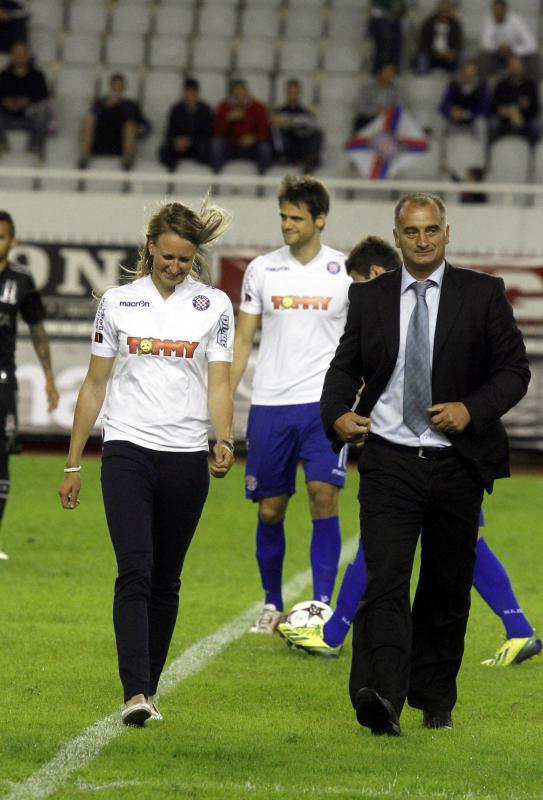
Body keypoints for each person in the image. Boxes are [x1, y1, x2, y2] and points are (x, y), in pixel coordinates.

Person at [320, 192, 530, 736]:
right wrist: (337, 413)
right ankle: (380, 696)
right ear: (396, 237)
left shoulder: (483, 293)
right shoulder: (368, 297)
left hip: (457, 463)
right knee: (384, 580)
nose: (422, 240)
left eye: (431, 229)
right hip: (389, 460)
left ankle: (435, 698)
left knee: (446, 586)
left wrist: (471, 409)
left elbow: (514, 371)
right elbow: (342, 368)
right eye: (411, 231)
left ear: (446, 233)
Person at [279, 237, 540, 667]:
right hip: (416, 455)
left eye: (360, 282)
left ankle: (334, 633)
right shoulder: (391, 311)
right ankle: (519, 629)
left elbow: (508, 369)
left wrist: (467, 410)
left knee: (389, 547)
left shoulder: (446, 304)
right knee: (455, 544)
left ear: (375, 274)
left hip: (449, 454)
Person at [58, 199, 235, 726]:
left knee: (166, 579)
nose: (174, 267)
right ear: (150, 248)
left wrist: (224, 438)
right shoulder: (117, 303)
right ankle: (134, 693)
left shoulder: (214, 306)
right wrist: (73, 463)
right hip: (127, 451)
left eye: (184, 259)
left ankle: (150, 689)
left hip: (186, 457)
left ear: (195, 256)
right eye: (167, 257)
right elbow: (95, 384)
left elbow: (220, 382)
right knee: (135, 568)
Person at [230, 175, 351, 634]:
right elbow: (243, 339)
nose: (287, 225)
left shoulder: (344, 272)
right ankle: (272, 601)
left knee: (324, 497)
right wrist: (223, 398)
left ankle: (320, 605)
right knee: (270, 510)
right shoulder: (262, 270)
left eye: (296, 217)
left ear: (320, 219)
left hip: (324, 407)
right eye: (283, 216)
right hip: (270, 404)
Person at [0, 209, 59, 560]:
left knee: (1, 458)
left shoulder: (20, 280)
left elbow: (37, 329)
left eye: (1, 236)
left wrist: (49, 377)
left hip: (3, 382)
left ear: (13, 241)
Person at [78, 73, 150, 171]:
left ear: (124, 88)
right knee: (88, 118)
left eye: (119, 86)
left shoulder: (131, 105)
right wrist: (106, 105)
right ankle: (85, 156)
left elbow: (146, 126)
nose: (116, 89)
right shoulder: (100, 103)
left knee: (130, 125)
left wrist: (139, 129)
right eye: (114, 86)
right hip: (100, 142)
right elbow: (90, 117)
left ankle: (127, 159)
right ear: (110, 87)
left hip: (121, 144)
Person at [210, 78, 272, 175]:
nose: (239, 95)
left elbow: (265, 130)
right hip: (232, 145)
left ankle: (262, 177)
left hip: (251, 146)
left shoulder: (258, 107)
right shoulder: (224, 106)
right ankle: (216, 176)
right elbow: (216, 132)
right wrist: (227, 119)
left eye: (241, 91)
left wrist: (254, 138)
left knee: (265, 148)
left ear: (247, 91)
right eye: (236, 92)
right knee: (216, 143)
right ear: (232, 94)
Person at [0, 41, 50, 159]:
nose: (19, 57)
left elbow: (44, 96)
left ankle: (34, 145)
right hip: (6, 116)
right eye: (16, 54)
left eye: (22, 54)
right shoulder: (4, 75)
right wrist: (6, 102)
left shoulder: (38, 75)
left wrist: (28, 101)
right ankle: (2, 143)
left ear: (28, 56)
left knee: (43, 109)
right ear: (12, 56)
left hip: (30, 115)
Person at [158, 77, 213, 172]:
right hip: (179, 145)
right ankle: (171, 174)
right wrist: (177, 140)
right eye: (187, 92)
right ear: (183, 93)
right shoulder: (176, 110)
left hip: (197, 145)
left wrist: (190, 141)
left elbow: (208, 133)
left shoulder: (205, 110)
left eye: (192, 92)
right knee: (165, 150)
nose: (190, 96)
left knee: (206, 148)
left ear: (197, 93)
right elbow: (170, 132)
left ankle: (203, 173)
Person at [271, 78, 323, 173]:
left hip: (301, 144)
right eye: (290, 92)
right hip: (287, 146)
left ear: (299, 93)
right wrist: (286, 124)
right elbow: (275, 123)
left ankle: (310, 160)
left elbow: (309, 124)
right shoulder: (280, 111)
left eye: (295, 92)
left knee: (318, 133)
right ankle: (282, 158)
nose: (292, 94)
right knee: (276, 129)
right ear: (286, 93)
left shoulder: (305, 112)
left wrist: (289, 122)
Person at [480, 0, 538, 79]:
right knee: (483, 55)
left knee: (534, 56)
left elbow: (532, 44)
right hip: (497, 55)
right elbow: (485, 43)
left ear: (506, 10)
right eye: (496, 11)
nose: (498, 13)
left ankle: (533, 85)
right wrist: (499, 48)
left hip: (516, 55)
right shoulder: (488, 20)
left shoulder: (516, 20)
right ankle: (482, 84)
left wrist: (513, 49)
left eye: (500, 11)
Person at [488, 55, 539, 145]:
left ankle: (533, 150)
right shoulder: (500, 85)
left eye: (518, 67)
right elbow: (493, 106)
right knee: (493, 123)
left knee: (536, 124)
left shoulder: (530, 85)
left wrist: (527, 107)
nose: (516, 69)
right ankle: (494, 149)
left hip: (524, 118)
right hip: (504, 119)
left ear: (523, 68)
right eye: (513, 67)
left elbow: (535, 109)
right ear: (508, 68)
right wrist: (500, 110)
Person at [352, 63, 408, 132]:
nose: (389, 75)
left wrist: (388, 111)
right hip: (370, 118)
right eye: (386, 72)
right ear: (379, 73)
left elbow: (400, 105)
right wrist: (376, 111)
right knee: (361, 120)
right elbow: (361, 107)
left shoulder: (396, 89)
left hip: (388, 119)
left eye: (392, 73)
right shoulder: (367, 88)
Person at [415, 0, 463, 75]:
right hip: (432, 56)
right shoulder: (428, 23)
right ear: (438, 10)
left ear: (450, 11)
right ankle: (422, 78)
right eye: (442, 10)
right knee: (422, 58)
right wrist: (436, 53)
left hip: (449, 57)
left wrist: (453, 52)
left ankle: (457, 80)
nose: (444, 13)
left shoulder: (455, 25)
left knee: (463, 56)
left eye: (446, 10)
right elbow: (423, 45)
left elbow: (459, 44)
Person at [368, 0, 408, 74]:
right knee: (384, 37)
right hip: (379, 22)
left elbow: (402, 8)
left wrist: (397, 9)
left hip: (393, 21)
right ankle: (381, 67)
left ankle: (392, 67)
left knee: (397, 39)